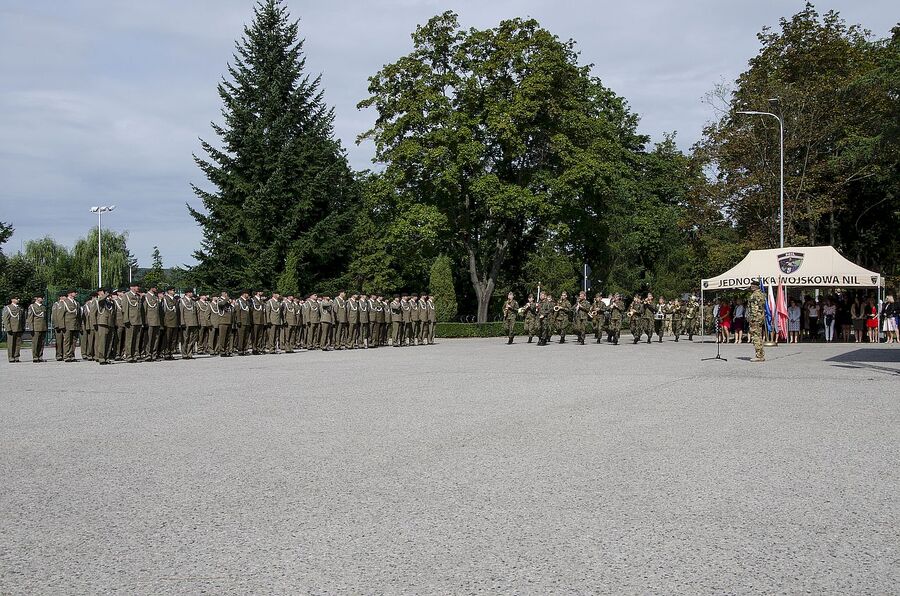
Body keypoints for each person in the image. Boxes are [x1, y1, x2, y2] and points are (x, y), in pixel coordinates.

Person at [2, 296, 25, 363]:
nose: (18, 299)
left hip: (19, 328)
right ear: (12, 299)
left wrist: (23, 327)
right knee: (11, 343)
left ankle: (16, 356)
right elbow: (6, 319)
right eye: (16, 298)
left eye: (18, 298)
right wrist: (8, 328)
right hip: (11, 328)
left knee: (18, 344)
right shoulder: (8, 308)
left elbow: (22, 319)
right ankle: (11, 357)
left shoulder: (20, 308)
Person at [26, 295, 48, 362]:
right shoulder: (32, 306)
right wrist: (31, 328)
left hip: (43, 327)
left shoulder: (43, 307)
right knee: (35, 343)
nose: (42, 298)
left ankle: (40, 356)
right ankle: (35, 357)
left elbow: (45, 318)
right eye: (41, 297)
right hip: (36, 327)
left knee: (41, 343)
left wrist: (46, 327)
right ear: (36, 298)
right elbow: (30, 318)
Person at [748, 281, 766, 362]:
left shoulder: (755, 295)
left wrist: (752, 318)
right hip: (759, 317)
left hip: (755, 318)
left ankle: (759, 356)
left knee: (756, 336)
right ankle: (760, 354)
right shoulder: (761, 294)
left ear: (756, 286)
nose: (751, 287)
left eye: (752, 285)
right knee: (758, 335)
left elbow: (755, 308)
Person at [179, 290, 200, 359]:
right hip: (186, 322)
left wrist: (197, 322)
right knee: (185, 338)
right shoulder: (182, 301)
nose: (192, 293)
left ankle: (189, 353)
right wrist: (182, 322)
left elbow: (196, 313)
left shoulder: (193, 302)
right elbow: (181, 312)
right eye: (190, 292)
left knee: (192, 339)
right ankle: (184, 354)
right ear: (187, 293)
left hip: (193, 322)